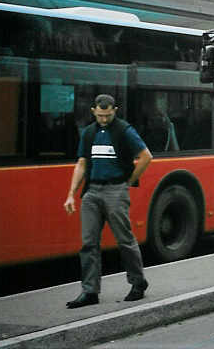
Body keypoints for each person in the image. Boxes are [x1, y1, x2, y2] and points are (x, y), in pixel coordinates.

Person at [63, 94, 153, 309]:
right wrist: (71, 194)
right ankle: (89, 291)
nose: (104, 119)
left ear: (115, 110)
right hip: (92, 192)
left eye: (108, 115)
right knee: (88, 243)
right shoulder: (88, 133)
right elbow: (82, 164)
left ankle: (138, 283)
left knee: (124, 239)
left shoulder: (124, 130)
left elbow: (146, 156)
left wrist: (128, 181)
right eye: (101, 115)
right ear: (93, 110)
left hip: (115, 189)